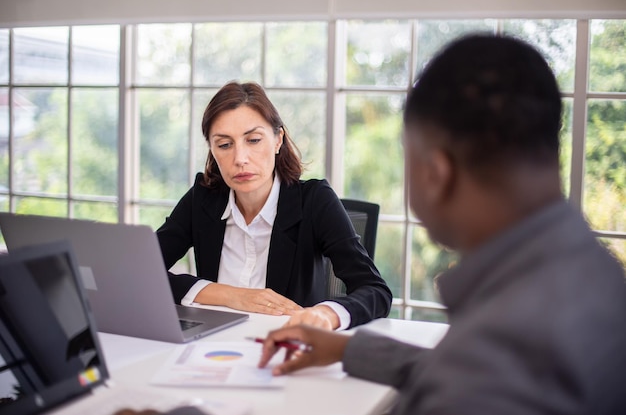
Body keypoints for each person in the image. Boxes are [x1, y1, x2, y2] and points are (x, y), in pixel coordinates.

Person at [257, 34, 626, 414]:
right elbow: (475, 365)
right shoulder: (591, 270)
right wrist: (347, 348)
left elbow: (479, 376)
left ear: (435, 173)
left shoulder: (492, 362)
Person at [156, 81, 392, 330]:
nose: (240, 159)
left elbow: (375, 290)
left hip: (286, 348)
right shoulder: (202, 199)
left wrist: (326, 314)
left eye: (254, 140)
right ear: (212, 150)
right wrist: (229, 295)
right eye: (225, 145)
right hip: (212, 348)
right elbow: (139, 272)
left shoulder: (314, 200)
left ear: (278, 140)